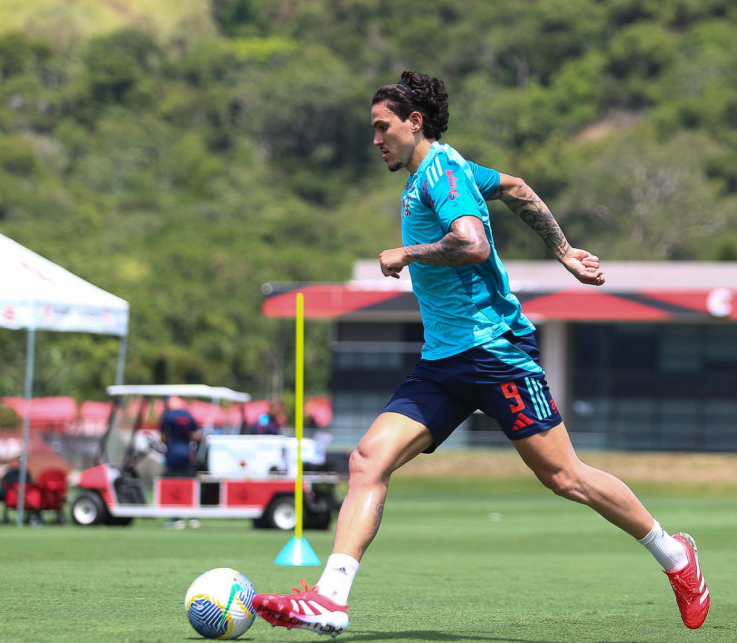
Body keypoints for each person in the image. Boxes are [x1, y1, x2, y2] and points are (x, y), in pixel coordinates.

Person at [252, 71, 709, 637]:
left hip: (496, 352)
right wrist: (563, 251)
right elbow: (515, 187)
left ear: (413, 122)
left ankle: (675, 555)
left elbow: (473, 244)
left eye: (382, 127)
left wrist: (407, 251)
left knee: (566, 478)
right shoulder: (451, 167)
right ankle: (330, 600)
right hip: (444, 361)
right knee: (368, 459)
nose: (375, 140)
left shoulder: (440, 175)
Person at [159, 397, 200, 528]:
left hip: (173, 454)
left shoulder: (167, 416)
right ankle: (193, 517)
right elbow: (196, 435)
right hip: (187, 454)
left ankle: (176, 517)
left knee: (173, 486)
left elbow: (162, 436)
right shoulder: (188, 415)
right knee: (188, 484)